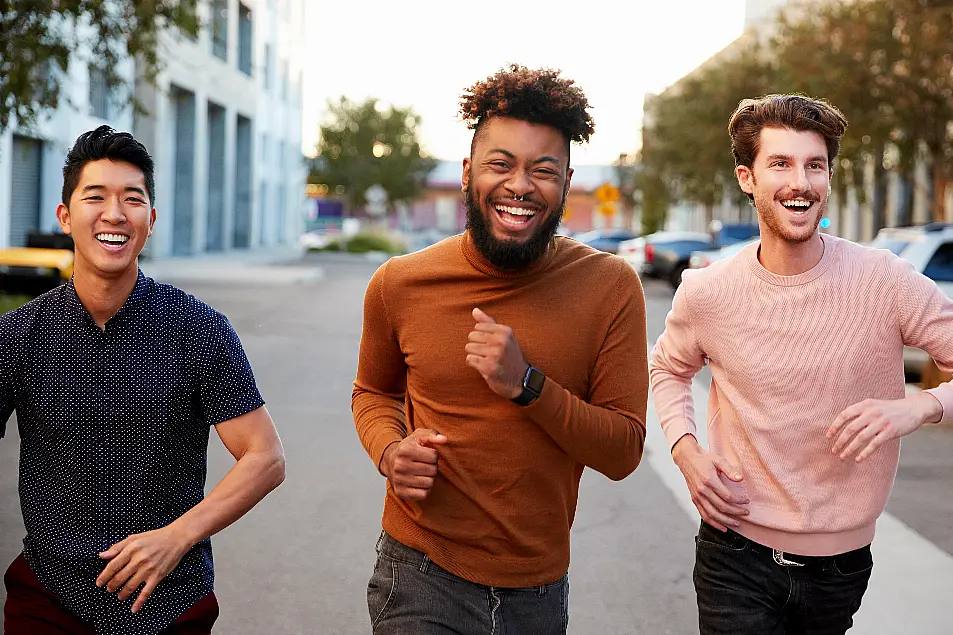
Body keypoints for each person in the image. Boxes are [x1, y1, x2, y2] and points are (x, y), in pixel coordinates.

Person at [352, 64, 648, 634]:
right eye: (500, 164)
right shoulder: (400, 284)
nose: (520, 185)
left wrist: (526, 385)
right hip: (418, 572)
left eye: (543, 170)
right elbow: (374, 391)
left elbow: (623, 451)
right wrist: (390, 452)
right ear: (468, 173)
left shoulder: (610, 287)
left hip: (535, 590)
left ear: (566, 182)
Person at [650, 94, 953, 635]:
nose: (801, 182)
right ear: (747, 178)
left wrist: (922, 405)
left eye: (815, 165)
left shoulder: (885, 281)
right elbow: (668, 369)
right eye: (780, 164)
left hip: (840, 565)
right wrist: (686, 450)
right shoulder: (708, 291)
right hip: (733, 551)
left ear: (830, 178)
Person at [0, 125, 286, 635]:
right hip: (47, 599)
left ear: (150, 221)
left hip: (172, 604)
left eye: (132, 199)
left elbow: (265, 457)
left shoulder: (198, 328)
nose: (114, 213)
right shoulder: (20, 333)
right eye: (96, 197)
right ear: (66, 216)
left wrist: (177, 537)